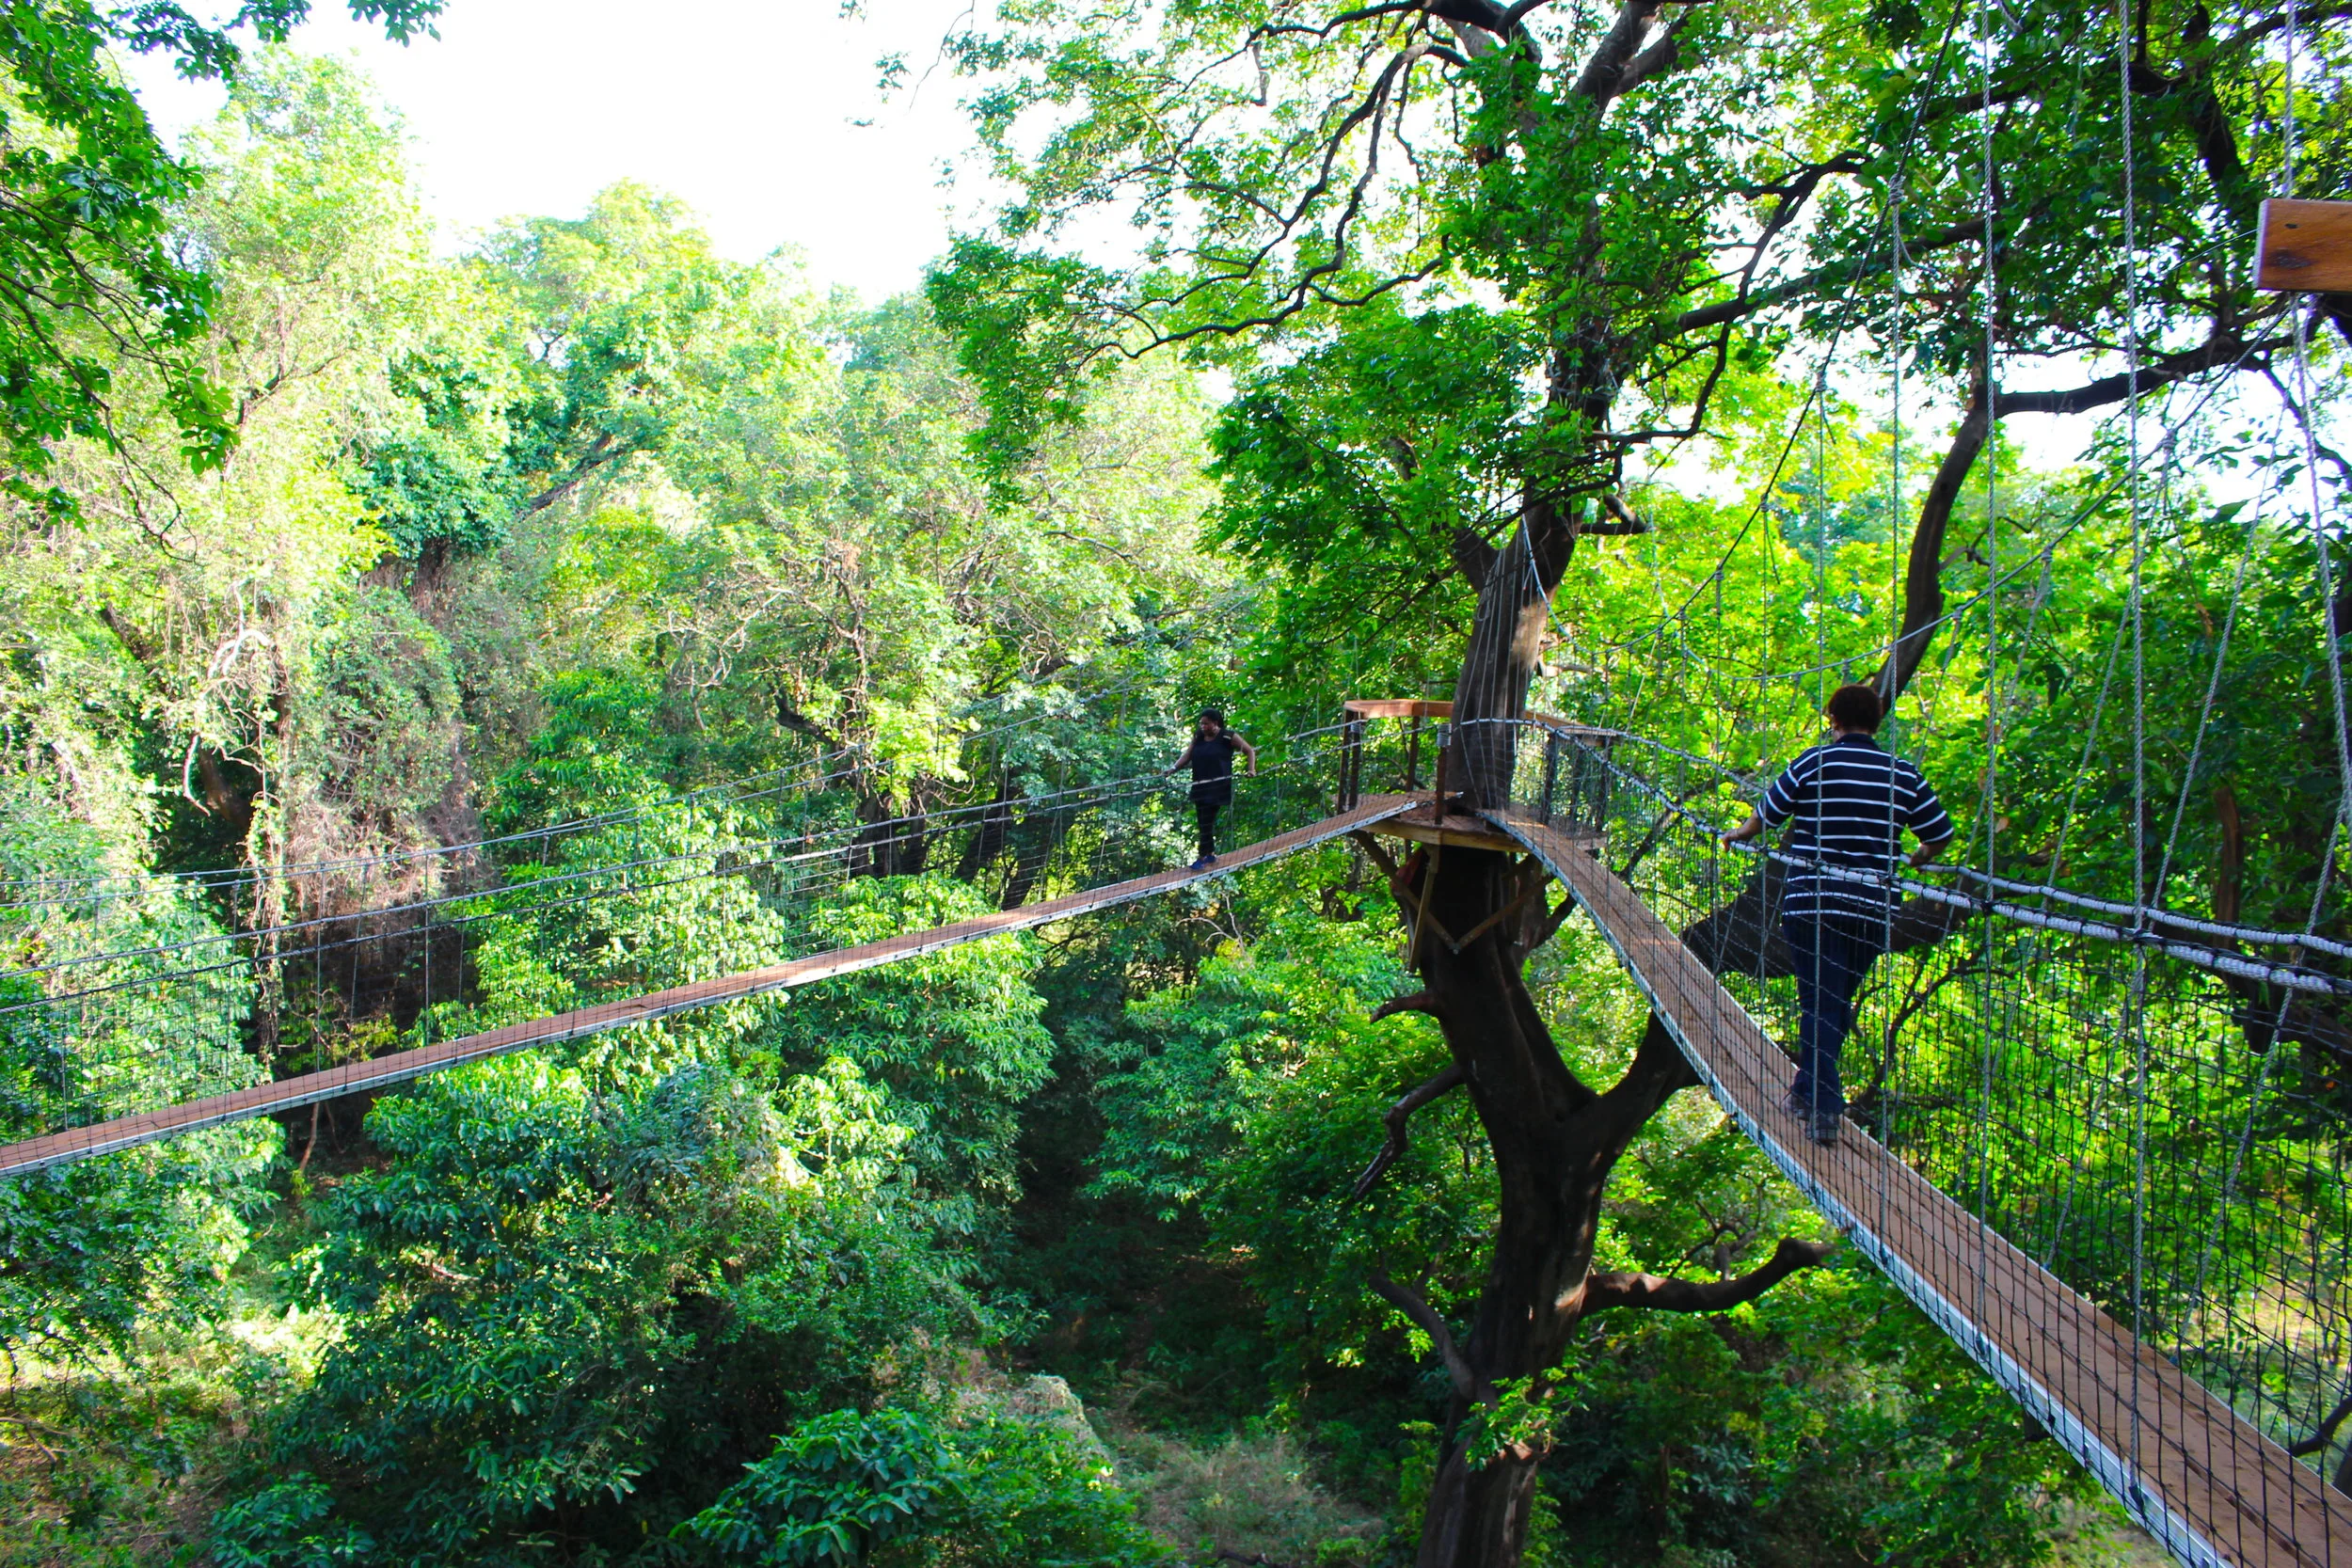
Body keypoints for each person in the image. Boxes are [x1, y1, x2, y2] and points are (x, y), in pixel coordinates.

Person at [1721, 683, 1953, 1147]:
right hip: (1871, 908)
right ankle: (1807, 1092)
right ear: (1877, 722)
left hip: (1813, 903)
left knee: (1819, 1001)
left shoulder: (1813, 761)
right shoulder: (1902, 773)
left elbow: (1765, 816)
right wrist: (1920, 858)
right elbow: (1940, 834)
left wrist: (1737, 834)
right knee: (1836, 1003)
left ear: (1833, 719)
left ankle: (1825, 1104)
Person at [1164, 709, 1258, 870]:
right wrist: (1173, 769)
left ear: (1216, 723)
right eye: (1201, 723)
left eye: (1206, 723)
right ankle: (1210, 854)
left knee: (1206, 821)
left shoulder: (1228, 737)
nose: (1203, 726)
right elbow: (1188, 755)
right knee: (1203, 821)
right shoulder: (1198, 737)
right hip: (1200, 786)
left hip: (1218, 786)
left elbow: (1249, 750)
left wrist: (1251, 769)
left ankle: (1202, 856)